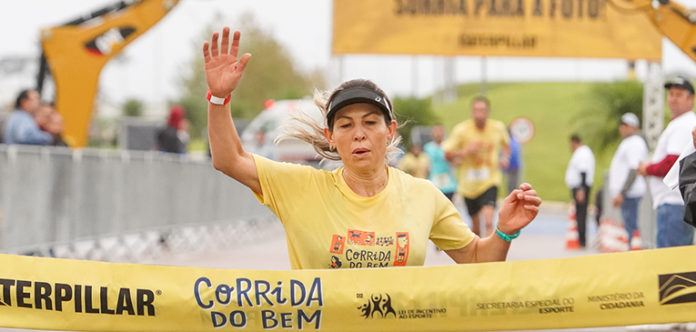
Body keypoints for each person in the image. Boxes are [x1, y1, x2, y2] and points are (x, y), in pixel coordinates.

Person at [203, 27, 541, 269]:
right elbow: (229, 158)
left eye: (370, 122)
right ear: (331, 136)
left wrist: (504, 231)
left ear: (390, 131)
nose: (359, 134)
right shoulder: (301, 187)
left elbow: (478, 259)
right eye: (346, 125)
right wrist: (219, 98)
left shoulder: (423, 195)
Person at [638, 76, 696, 247]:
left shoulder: (684, 124)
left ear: (691, 99)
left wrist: (648, 168)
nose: (673, 98)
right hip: (678, 203)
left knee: (670, 266)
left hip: (673, 203)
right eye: (671, 94)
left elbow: (672, 163)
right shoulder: (682, 123)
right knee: (678, 263)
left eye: (679, 94)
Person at [443, 96, 511, 237]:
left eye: (483, 110)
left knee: (488, 221)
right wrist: (466, 151)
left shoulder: (498, 128)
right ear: (471, 112)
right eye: (476, 110)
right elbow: (447, 154)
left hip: (490, 180)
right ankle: (479, 254)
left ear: (488, 112)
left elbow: (506, 145)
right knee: (475, 225)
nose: (479, 113)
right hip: (469, 186)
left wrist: (505, 157)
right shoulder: (461, 130)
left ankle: (489, 255)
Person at [608, 113, 648, 247]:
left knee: (630, 227)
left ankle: (633, 255)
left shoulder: (635, 143)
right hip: (628, 193)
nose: (622, 128)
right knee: (629, 225)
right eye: (622, 125)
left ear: (634, 127)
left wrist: (622, 193)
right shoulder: (629, 142)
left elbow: (633, 169)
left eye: (626, 125)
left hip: (630, 193)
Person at [565, 134, 595, 248]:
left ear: (574, 142)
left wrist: (581, 189)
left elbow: (583, 172)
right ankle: (581, 239)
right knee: (580, 213)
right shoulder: (583, 152)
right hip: (579, 187)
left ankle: (582, 240)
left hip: (580, 187)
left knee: (581, 214)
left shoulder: (582, 153)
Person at [423, 125, 457, 201]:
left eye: (440, 131)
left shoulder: (449, 146)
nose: (438, 134)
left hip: (449, 184)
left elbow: (455, 162)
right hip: (434, 182)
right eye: (436, 132)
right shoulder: (428, 147)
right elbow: (427, 164)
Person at [504, 128, 522, 194]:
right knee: (513, 185)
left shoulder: (509, 142)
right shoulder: (514, 140)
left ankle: (513, 200)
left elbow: (512, 155)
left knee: (511, 186)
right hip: (515, 167)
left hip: (512, 167)